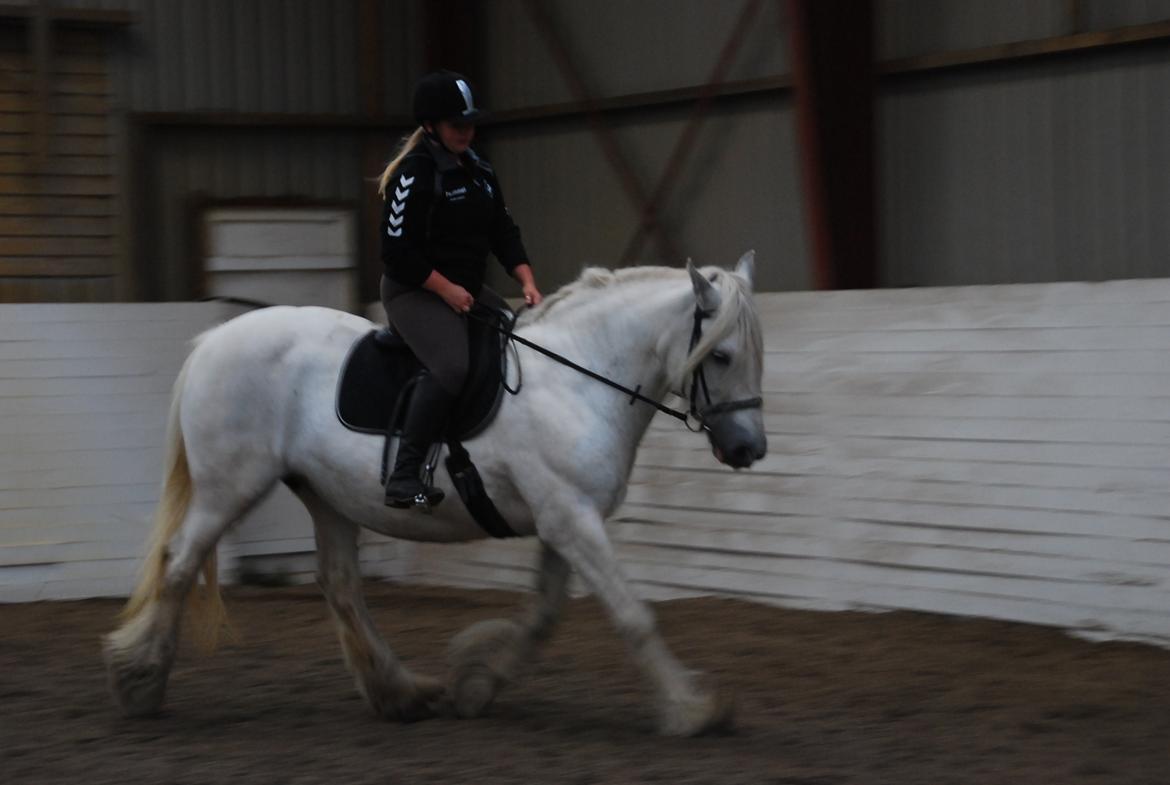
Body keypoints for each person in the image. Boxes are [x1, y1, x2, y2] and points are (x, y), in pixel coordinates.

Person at [377, 70, 543, 509]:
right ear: (430, 125)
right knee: (451, 366)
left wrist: (524, 279)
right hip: (413, 290)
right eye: (456, 125)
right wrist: (445, 289)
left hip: (465, 289)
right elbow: (396, 252)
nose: (466, 132)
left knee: (514, 337)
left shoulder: (480, 172)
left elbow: (503, 230)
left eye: (470, 123)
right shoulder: (415, 174)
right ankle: (404, 473)